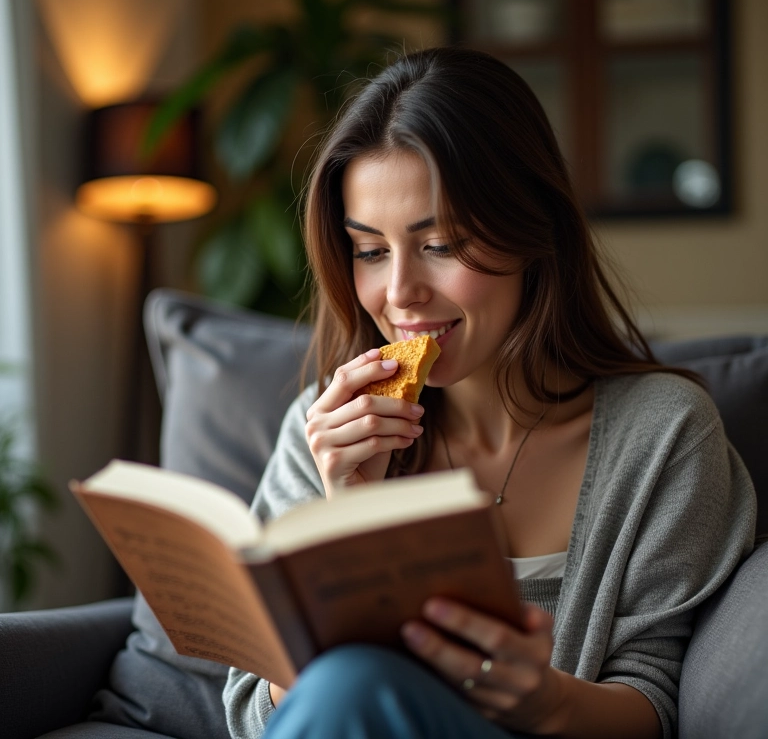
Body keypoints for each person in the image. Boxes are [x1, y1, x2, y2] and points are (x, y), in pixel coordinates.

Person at [223, 47, 756, 739]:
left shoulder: (663, 436)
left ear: (531, 232)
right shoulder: (330, 429)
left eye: (441, 244)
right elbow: (257, 714)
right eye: (371, 251)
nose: (400, 294)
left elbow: (656, 700)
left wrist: (548, 703)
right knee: (348, 684)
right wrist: (345, 521)